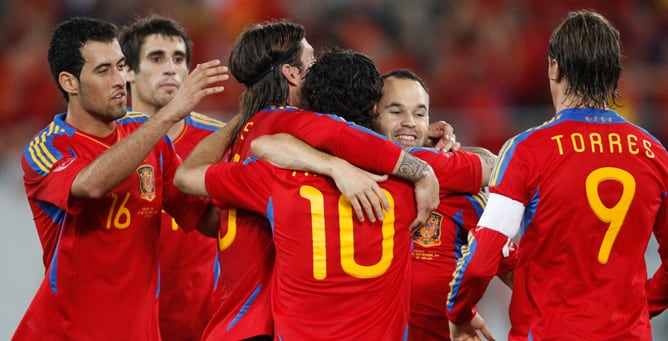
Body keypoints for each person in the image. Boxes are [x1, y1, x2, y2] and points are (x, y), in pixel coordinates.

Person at [174, 48, 476, 339]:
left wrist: (249, 116)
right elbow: (491, 164)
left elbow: (191, 175)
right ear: (374, 110)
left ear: (310, 110)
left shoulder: (273, 176)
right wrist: (432, 151)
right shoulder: (414, 172)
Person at [446, 10, 668, 340]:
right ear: (615, 74)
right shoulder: (655, 154)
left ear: (555, 67)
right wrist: (638, 311)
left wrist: (460, 312)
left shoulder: (527, 151)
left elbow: (481, 259)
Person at [14, 17, 227, 340]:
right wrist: (167, 115)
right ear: (70, 82)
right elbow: (91, 184)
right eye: (103, 71)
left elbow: (206, 219)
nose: (119, 80)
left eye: (120, 66)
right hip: (66, 333)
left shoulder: (149, 138)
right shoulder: (47, 147)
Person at [373, 68, 515, 341]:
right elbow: (494, 164)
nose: (409, 123)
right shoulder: (346, 171)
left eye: (419, 114)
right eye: (396, 112)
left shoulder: (456, 190)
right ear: (373, 113)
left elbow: (515, 273)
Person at [119, 15, 223, 341]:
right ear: (128, 72)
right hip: (125, 325)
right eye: (156, 58)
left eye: (179, 59)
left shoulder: (219, 141)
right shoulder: (109, 148)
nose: (170, 68)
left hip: (205, 326)